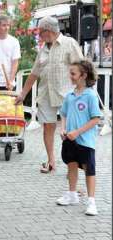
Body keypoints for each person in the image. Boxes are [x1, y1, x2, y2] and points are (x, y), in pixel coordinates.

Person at [15, 16, 83, 173]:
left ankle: (72, 165)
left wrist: (82, 91)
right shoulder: (44, 49)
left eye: (40, 32)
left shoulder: (69, 43)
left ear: (49, 30)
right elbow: (34, 74)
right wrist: (23, 94)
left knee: (70, 129)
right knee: (47, 127)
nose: (39, 35)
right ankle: (51, 161)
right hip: (46, 94)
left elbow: (81, 67)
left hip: (67, 94)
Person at [56, 60, 101, 216]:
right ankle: (72, 195)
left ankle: (91, 202)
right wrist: (63, 129)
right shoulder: (70, 96)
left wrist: (78, 132)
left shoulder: (91, 96)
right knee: (71, 165)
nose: (71, 76)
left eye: (73, 73)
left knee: (89, 170)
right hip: (70, 140)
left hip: (85, 141)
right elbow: (63, 113)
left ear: (83, 75)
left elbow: (96, 119)